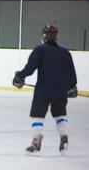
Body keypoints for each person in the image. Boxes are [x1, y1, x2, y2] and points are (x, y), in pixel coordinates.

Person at [12, 25, 77, 155]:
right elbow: (72, 73)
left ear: (44, 36)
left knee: (38, 117)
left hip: (43, 90)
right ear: (57, 36)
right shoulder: (65, 53)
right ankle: (64, 139)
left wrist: (20, 75)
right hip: (60, 91)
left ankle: (36, 143)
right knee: (60, 116)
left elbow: (30, 68)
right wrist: (72, 86)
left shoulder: (39, 50)